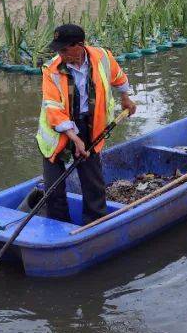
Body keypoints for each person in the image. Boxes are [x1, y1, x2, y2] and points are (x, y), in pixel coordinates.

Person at [36, 24, 137, 224]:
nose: (61, 54)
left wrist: (126, 98)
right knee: (54, 184)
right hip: (57, 130)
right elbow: (53, 109)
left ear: (80, 45)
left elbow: (118, 76)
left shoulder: (102, 58)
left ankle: (95, 220)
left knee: (92, 178)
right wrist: (73, 138)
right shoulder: (52, 70)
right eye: (58, 50)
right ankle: (58, 223)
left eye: (64, 49)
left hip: (90, 124)